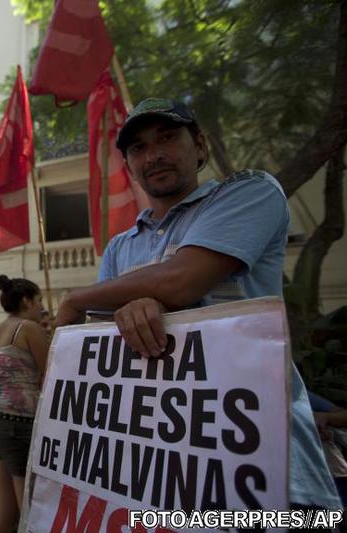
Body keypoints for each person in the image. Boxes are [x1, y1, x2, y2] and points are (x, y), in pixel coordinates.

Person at [55, 97, 342, 513]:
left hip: (270, 473)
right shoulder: (120, 247)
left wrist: (77, 300)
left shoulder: (251, 191)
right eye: (138, 148)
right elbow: (101, 345)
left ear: (201, 147)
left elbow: (182, 280)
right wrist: (128, 306)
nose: (153, 155)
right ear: (130, 166)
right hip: (164, 475)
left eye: (167, 138)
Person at [0, 275, 49, 533]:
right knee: (28, 510)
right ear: (26, 300)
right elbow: (52, 371)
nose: (41, 306)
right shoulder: (29, 328)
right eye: (38, 300)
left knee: (5, 510)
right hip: (17, 422)